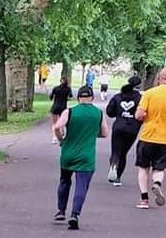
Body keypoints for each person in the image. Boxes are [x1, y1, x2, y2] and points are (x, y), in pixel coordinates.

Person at [53, 85, 107, 229]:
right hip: (86, 156)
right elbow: (105, 133)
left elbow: (57, 127)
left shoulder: (69, 111)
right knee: (81, 185)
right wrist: (91, 133)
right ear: (92, 98)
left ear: (78, 98)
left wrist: (61, 140)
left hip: (68, 153)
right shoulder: (98, 113)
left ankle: (61, 210)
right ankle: (74, 215)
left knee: (64, 181)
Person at [133, 65, 166, 209]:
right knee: (159, 167)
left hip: (148, 136)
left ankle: (144, 199)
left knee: (143, 168)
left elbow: (139, 115)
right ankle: (157, 183)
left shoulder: (149, 93)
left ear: (159, 78)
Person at [105, 77, 143, 185]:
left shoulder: (118, 96)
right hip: (132, 128)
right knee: (124, 153)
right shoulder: (140, 98)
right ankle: (117, 178)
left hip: (118, 126)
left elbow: (110, 112)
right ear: (139, 86)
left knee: (115, 151)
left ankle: (113, 165)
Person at [48, 74, 72, 140]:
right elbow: (70, 96)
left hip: (55, 107)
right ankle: (62, 133)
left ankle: (54, 137)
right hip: (63, 108)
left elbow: (51, 97)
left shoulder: (55, 88)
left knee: (54, 123)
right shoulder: (68, 89)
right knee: (62, 122)